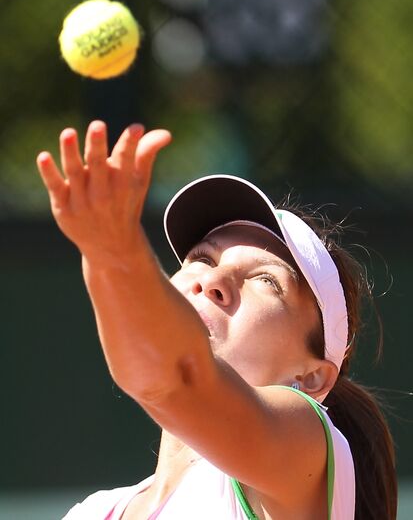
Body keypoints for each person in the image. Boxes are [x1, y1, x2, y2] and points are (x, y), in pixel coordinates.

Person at [37, 121, 397, 519]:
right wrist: (106, 252)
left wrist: (112, 251)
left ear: (313, 378)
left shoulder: (307, 447)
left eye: (266, 280)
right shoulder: (93, 512)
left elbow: (176, 379)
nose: (213, 279)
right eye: (202, 259)